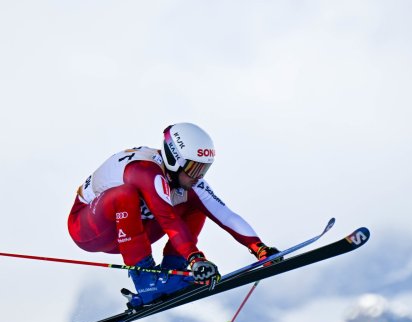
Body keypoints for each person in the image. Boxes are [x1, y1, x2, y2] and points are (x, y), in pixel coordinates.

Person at [67, 122, 280, 309]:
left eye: (203, 169)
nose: (198, 176)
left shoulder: (188, 181)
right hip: (89, 228)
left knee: (196, 203)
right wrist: (196, 259)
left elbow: (225, 215)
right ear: (173, 159)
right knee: (126, 194)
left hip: (132, 233)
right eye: (194, 168)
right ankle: (146, 280)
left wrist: (260, 249)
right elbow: (167, 217)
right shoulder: (144, 170)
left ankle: (171, 273)